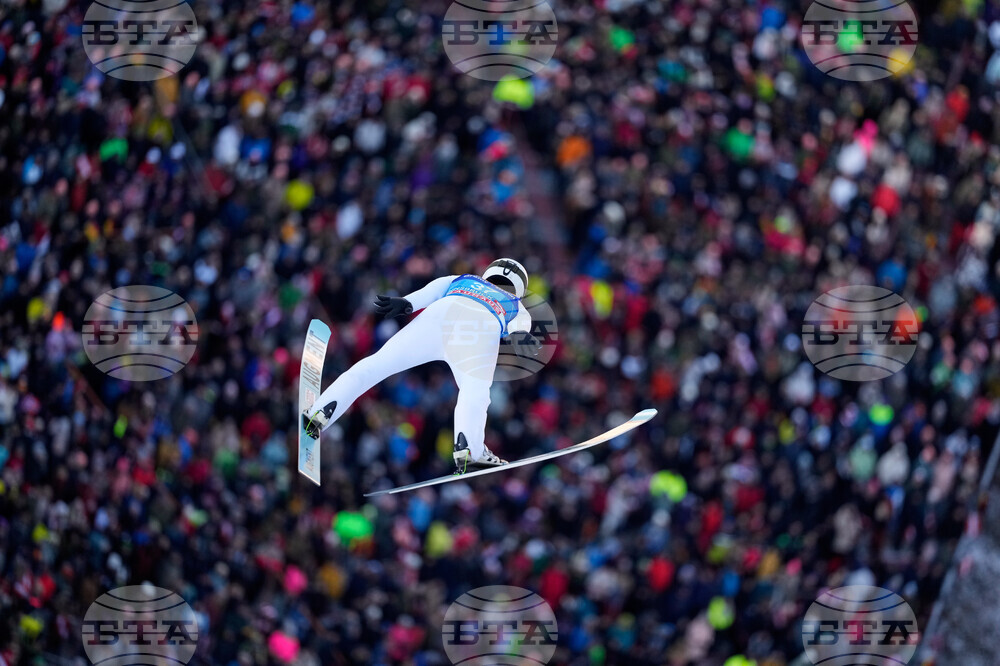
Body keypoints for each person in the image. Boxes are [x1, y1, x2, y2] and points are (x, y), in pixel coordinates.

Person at [302, 259, 541, 471]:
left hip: (441, 314)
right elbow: (520, 325)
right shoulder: (514, 303)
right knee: (474, 395)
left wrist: (407, 302)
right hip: (481, 329)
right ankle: (469, 451)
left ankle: (319, 413)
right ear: (519, 287)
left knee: (375, 365)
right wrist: (520, 336)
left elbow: (431, 290)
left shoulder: (464, 279)